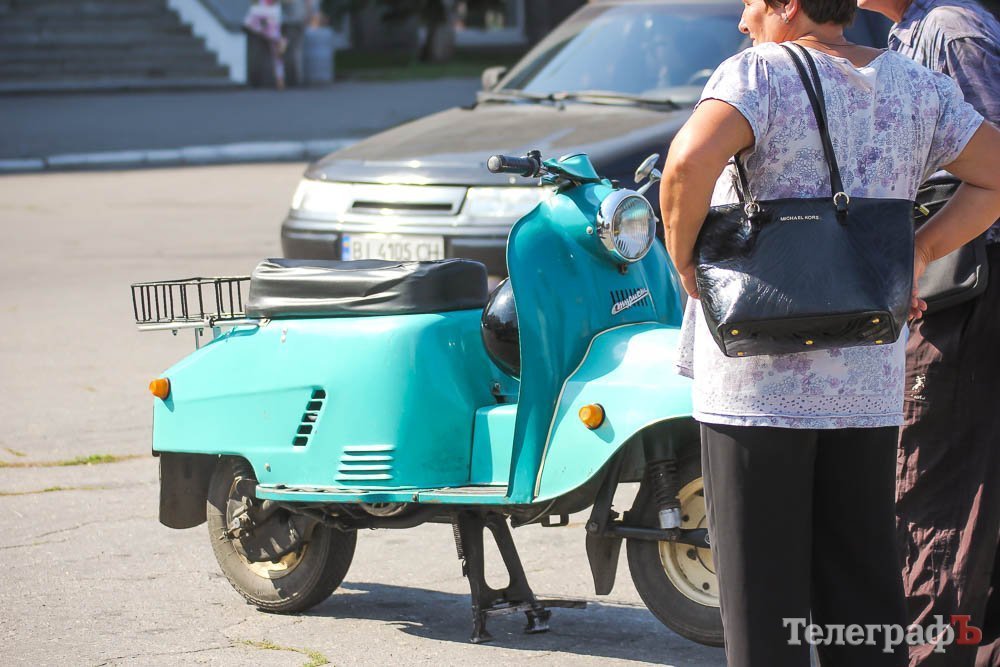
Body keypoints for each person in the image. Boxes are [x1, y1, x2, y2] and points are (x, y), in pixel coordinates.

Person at [659, 0, 1000, 665]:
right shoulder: (915, 85)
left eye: (752, 3)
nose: (742, 21)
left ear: (788, 5)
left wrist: (685, 262)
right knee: (862, 594)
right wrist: (919, 252)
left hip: (756, 387)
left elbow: (685, 166)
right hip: (866, 379)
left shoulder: (758, 73)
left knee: (765, 610)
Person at [854, 1, 1000, 665]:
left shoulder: (949, 29)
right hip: (954, 279)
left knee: (933, 487)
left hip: (966, 285)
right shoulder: (913, 32)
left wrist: (922, 247)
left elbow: (993, 168)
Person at [244, 0, 287, 90]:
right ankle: (279, 79)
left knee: (277, 56)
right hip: (267, 30)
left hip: (270, 30)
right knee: (277, 56)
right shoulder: (261, 5)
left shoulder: (271, 6)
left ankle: (279, 79)